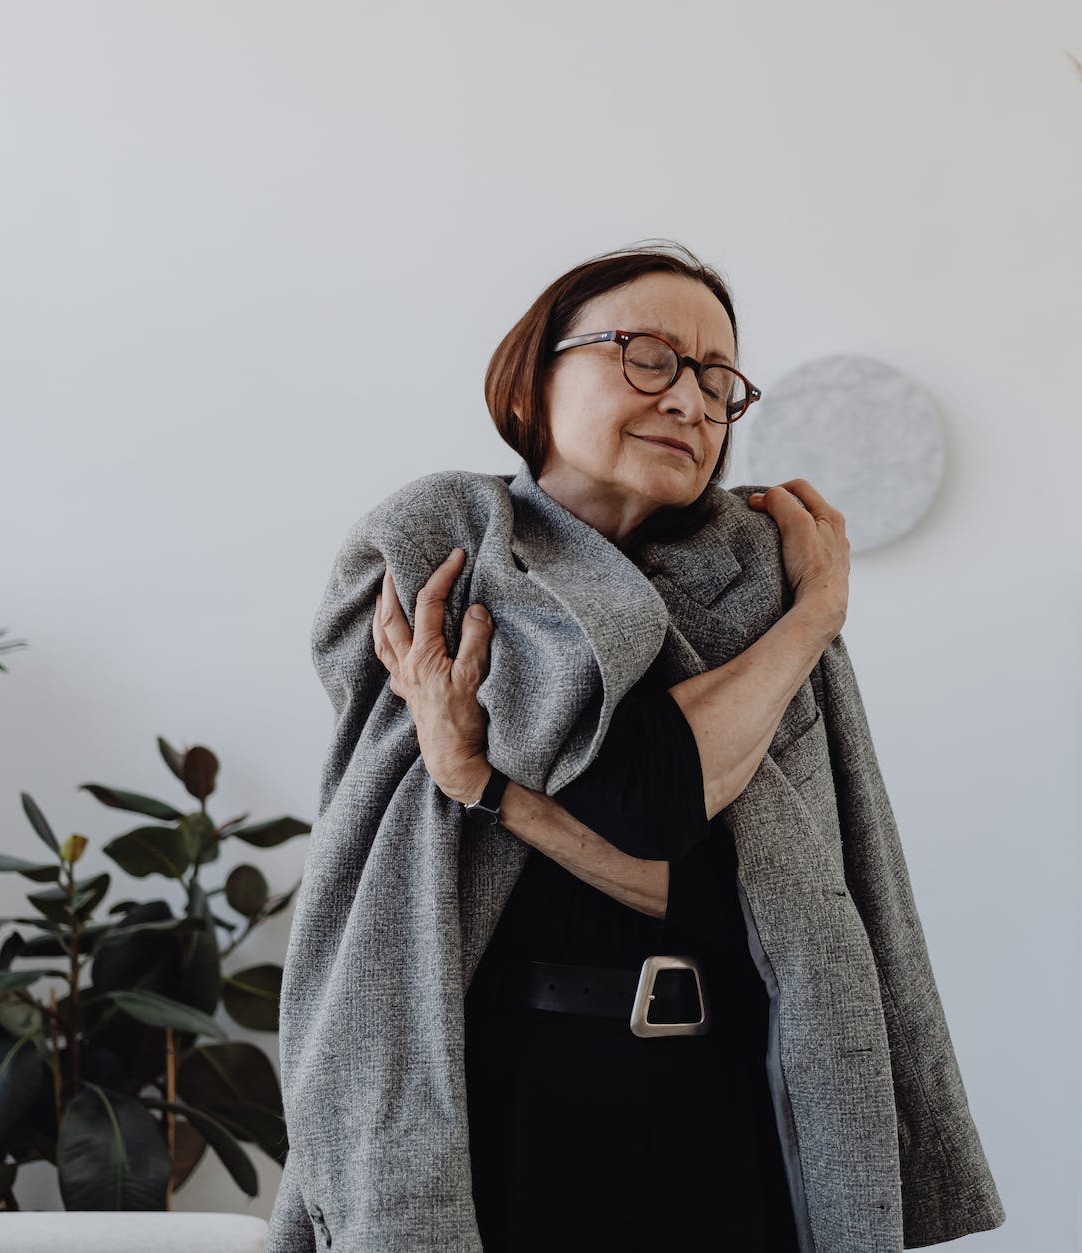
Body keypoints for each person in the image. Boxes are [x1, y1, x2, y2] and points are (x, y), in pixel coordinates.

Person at [370, 242, 843, 1250]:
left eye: (718, 381)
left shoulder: (755, 588)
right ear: (535, 376)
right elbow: (648, 799)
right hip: (509, 1089)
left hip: (722, 1097)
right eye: (648, 355)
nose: (690, 401)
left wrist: (482, 782)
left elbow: (741, 891)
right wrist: (812, 618)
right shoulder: (447, 552)